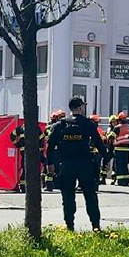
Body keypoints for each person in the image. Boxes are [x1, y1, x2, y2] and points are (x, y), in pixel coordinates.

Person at [46, 96, 107, 232]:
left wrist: (49, 163)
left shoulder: (60, 125)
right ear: (79, 107)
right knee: (90, 196)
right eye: (83, 106)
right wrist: (107, 160)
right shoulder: (88, 124)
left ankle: (69, 225)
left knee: (67, 196)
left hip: (67, 164)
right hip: (85, 165)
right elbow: (99, 143)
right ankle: (95, 226)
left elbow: (50, 146)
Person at [10, 120, 45, 193]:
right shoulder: (36, 128)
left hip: (24, 151)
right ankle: (33, 186)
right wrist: (40, 149)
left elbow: (12, 135)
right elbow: (41, 138)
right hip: (34, 152)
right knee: (34, 168)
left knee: (25, 169)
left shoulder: (20, 128)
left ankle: (23, 187)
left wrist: (17, 144)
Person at [44, 109, 66, 191]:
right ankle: (52, 184)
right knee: (53, 167)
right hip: (55, 149)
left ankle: (51, 184)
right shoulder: (56, 127)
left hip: (55, 149)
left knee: (53, 167)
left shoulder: (52, 127)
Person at [110, 111, 129, 187]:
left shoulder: (117, 128)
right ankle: (126, 181)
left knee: (119, 166)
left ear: (119, 120)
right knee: (125, 165)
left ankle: (120, 181)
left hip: (119, 149)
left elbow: (112, 137)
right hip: (127, 149)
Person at [89, 114, 104, 187]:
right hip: (97, 152)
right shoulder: (99, 130)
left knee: (93, 169)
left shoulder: (93, 130)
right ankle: (95, 184)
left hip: (93, 152)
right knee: (96, 169)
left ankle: (94, 184)